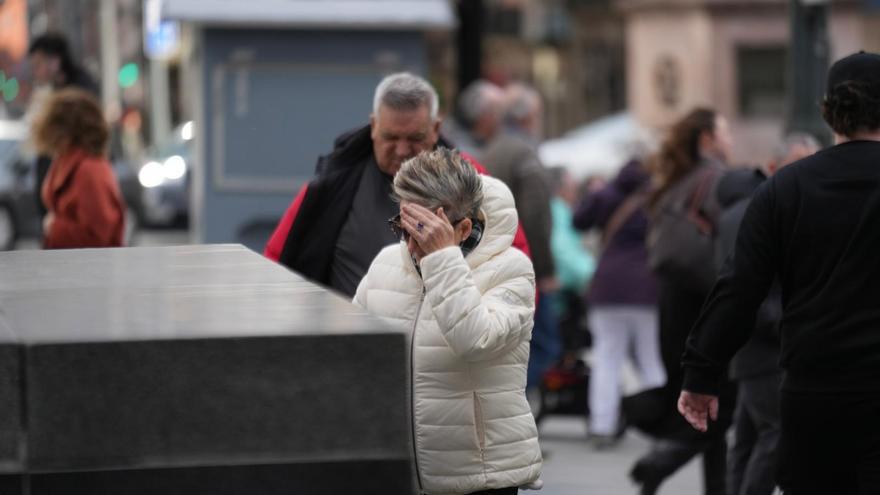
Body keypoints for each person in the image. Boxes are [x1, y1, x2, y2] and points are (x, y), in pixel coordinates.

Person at [679, 52, 880, 495]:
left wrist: (701, 372)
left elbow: (739, 288)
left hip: (814, 389)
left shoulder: (785, 187)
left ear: (828, 112)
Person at [353, 148, 543, 495]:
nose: (410, 246)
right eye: (402, 227)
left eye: (423, 231)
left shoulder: (512, 270)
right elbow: (355, 353)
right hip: (398, 473)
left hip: (481, 476)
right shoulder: (386, 262)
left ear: (464, 228)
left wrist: (442, 258)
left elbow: (475, 340)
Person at [263, 73, 530, 298]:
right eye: (390, 137)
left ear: (436, 129)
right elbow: (277, 260)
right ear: (373, 126)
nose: (402, 150)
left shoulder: (473, 181)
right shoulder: (333, 183)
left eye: (415, 138)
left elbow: (515, 271)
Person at [634, 108, 734, 495]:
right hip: (705, 306)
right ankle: (662, 460)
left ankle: (714, 486)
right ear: (707, 139)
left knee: (703, 402)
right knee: (720, 405)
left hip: (673, 304)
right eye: (724, 132)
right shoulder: (717, 180)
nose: (730, 140)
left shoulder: (677, 181)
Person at [715, 133, 819, 495]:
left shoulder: (780, 206)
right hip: (763, 347)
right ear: (774, 166)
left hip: (759, 345)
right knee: (778, 434)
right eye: (799, 164)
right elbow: (742, 286)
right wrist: (788, 324)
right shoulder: (757, 211)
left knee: (749, 438)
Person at [470, 80, 559, 389]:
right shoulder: (525, 153)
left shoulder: (489, 151)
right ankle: (512, 396)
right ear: (528, 117)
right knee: (544, 345)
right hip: (523, 262)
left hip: (490, 261)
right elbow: (536, 215)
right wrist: (545, 270)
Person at [573, 160, 666, 449]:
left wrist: (596, 196)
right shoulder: (658, 197)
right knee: (650, 357)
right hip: (646, 286)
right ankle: (663, 426)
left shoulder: (606, 194)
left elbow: (578, 221)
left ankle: (602, 426)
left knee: (606, 357)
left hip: (608, 286)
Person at [32, 88, 125, 249]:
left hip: (86, 262)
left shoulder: (90, 169)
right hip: (68, 258)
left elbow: (97, 236)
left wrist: (54, 227)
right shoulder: (65, 160)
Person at [27, 33, 99, 218]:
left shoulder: (79, 91)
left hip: (74, 189)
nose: (36, 72)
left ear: (55, 61)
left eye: (38, 65)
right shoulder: (52, 91)